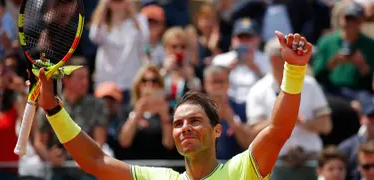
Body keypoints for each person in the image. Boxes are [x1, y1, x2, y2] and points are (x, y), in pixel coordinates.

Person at [32, 31, 312, 180]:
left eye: (194, 121)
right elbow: (94, 161)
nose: (185, 128)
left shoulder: (241, 171)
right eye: (178, 123)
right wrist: (54, 110)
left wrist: (295, 70)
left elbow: (278, 130)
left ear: (216, 131)